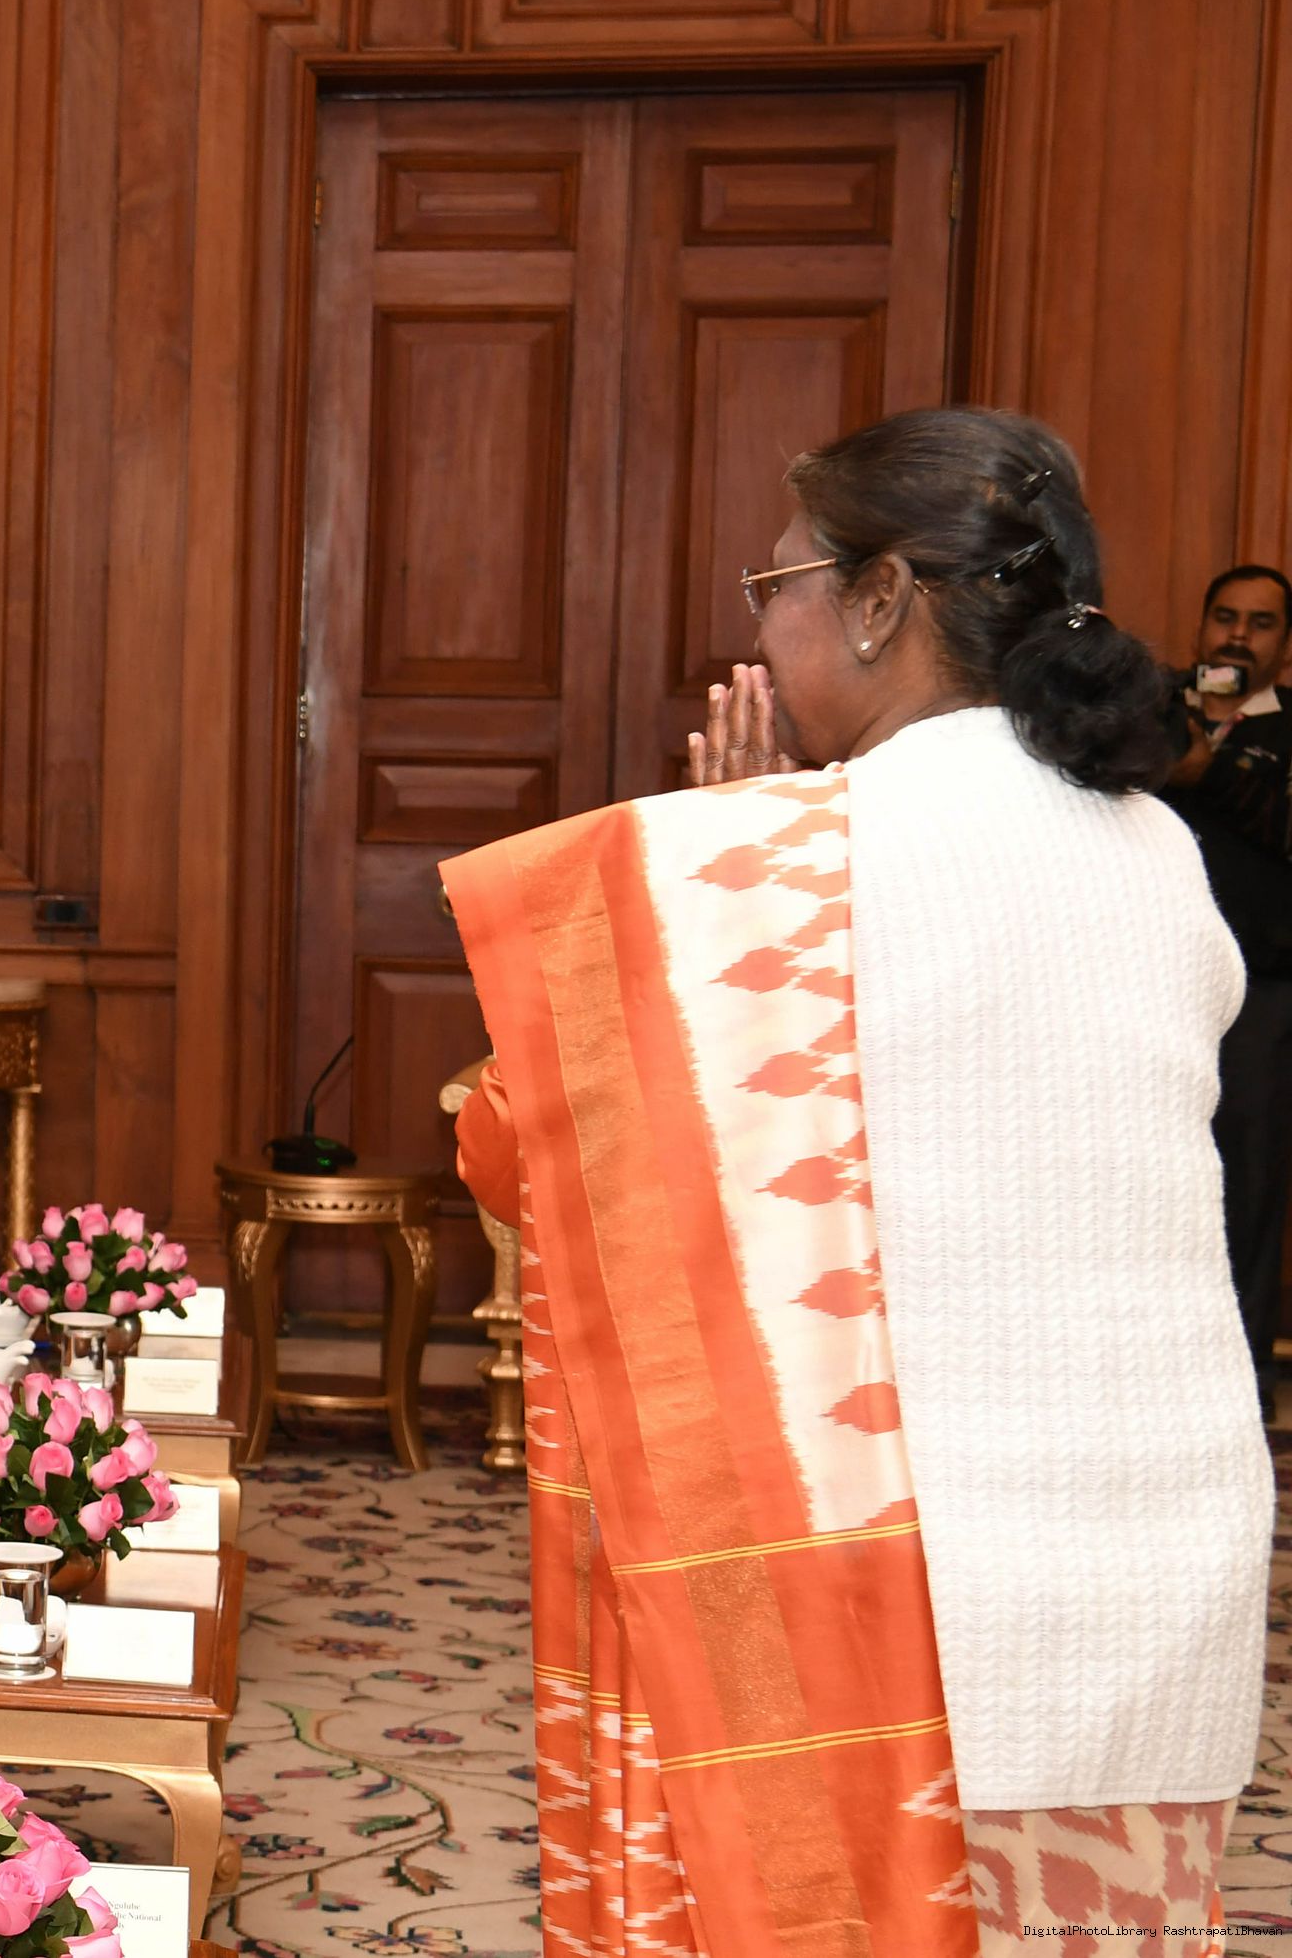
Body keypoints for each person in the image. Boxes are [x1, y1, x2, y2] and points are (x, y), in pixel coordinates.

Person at [449, 407, 1267, 1953]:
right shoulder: (1166, 848)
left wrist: (706, 856)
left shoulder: (772, 864)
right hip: (1158, 1559)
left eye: (781, 582)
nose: (763, 623)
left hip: (887, 1584)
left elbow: (515, 1151)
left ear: (882, 598)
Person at [1160, 563, 1292, 1410]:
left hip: (1262, 994)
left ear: (1285, 643)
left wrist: (1209, 772)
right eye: (1225, 616)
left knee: (1247, 1182)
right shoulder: (1146, 711)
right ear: (1202, 623)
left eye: (1261, 622)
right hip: (1148, 985)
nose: (1238, 635)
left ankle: (1240, 1385)